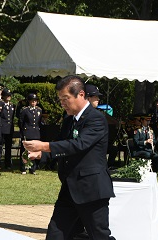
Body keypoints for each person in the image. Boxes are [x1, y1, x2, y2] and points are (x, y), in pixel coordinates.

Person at [22, 75, 115, 240]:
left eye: (66, 98)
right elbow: (62, 146)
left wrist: (44, 145)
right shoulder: (68, 120)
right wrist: (40, 155)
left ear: (80, 94)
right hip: (70, 188)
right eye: (60, 99)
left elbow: (78, 145)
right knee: (56, 234)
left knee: (98, 235)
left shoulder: (96, 118)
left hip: (91, 189)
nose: (62, 103)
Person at [19, 92, 42, 175]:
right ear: (29, 101)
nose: (33, 102)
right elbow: (21, 122)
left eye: (35, 101)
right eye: (32, 101)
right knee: (25, 151)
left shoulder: (39, 110)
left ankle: (33, 168)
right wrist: (23, 132)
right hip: (27, 132)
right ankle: (23, 168)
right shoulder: (25, 110)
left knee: (34, 151)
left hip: (36, 132)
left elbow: (39, 122)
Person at [1, 88, 15, 169]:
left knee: (8, 148)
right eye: (6, 95)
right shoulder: (1, 104)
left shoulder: (12, 105)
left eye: (9, 95)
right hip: (2, 128)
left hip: (9, 129)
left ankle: (8, 163)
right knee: (0, 147)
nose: (8, 97)